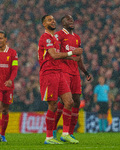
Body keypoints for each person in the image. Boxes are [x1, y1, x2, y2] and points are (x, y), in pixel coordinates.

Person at [38, 15, 83, 144]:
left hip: (59, 73)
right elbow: (53, 55)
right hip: (48, 73)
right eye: (48, 20)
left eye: (53, 19)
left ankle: (65, 133)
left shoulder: (55, 39)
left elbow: (58, 56)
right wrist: (71, 53)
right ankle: (49, 137)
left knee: (69, 102)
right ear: (44, 24)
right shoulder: (45, 37)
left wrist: (71, 58)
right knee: (52, 105)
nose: (52, 21)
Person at [53, 15, 91, 141]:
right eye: (68, 19)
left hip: (75, 73)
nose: (71, 21)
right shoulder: (59, 35)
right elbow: (56, 54)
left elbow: (78, 57)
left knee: (76, 102)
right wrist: (71, 56)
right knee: (66, 101)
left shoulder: (77, 38)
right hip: (63, 71)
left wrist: (85, 72)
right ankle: (54, 129)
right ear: (62, 22)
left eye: (72, 19)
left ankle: (70, 132)